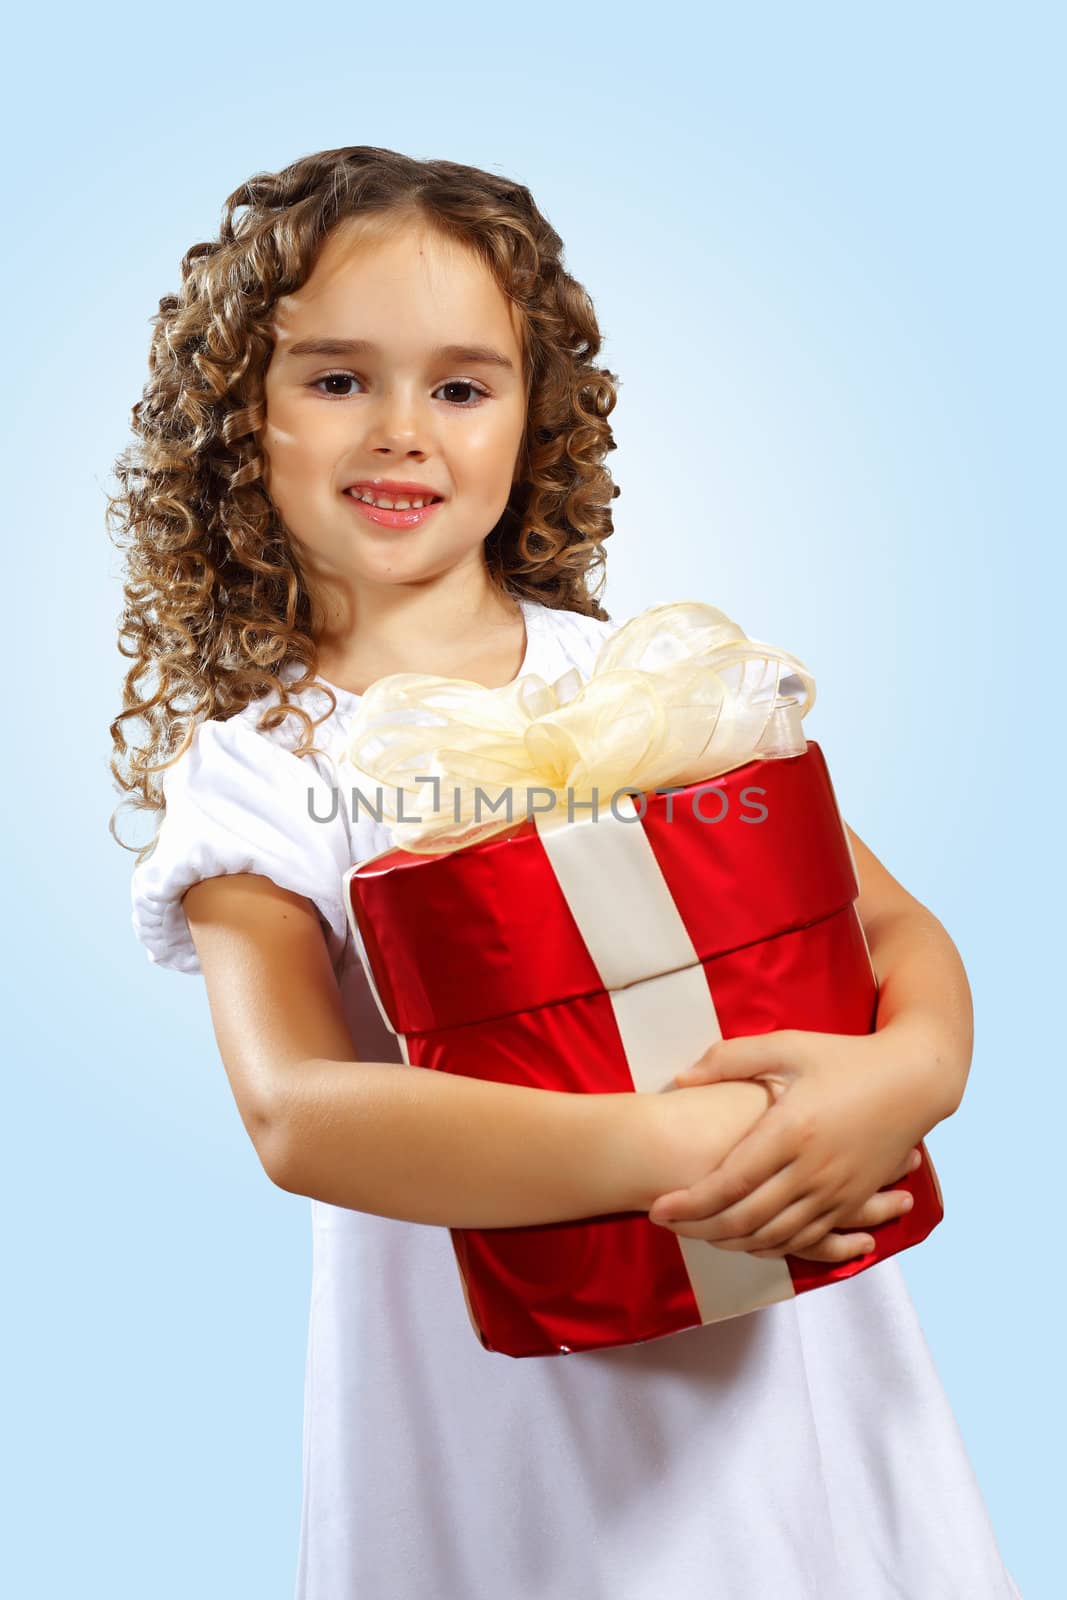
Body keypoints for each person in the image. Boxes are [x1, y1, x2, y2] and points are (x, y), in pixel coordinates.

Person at [113, 145, 1022, 1598]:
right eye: (338, 380)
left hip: (802, 1354)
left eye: (461, 387)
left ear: (533, 420)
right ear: (241, 421)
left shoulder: (660, 680)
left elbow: (889, 924)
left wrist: (909, 1075)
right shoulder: (265, 770)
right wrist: (671, 1159)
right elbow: (298, 1113)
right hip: (511, 1422)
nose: (403, 431)